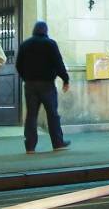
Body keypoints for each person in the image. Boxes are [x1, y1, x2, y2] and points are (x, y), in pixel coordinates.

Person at [16, 20, 71, 153]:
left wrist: (26, 77)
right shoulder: (50, 44)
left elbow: (18, 65)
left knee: (31, 115)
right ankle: (57, 143)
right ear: (46, 31)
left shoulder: (25, 45)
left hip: (30, 85)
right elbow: (58, 63)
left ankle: (30, 146)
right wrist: (65, 79)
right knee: (52, 114)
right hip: (47, 85)